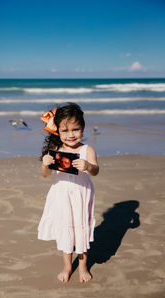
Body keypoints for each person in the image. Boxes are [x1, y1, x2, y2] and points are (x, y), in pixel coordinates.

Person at [38, 103, 99, 283]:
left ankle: (82, 266)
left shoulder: (86, 150)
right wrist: (45, 163)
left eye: (75, 129)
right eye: (65, 131)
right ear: (58, 131)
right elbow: (45, 175)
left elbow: (95, 171)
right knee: (66, 230)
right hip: (61, 196)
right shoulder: (56, 151)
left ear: (82, 128)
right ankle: (66, 266)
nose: (71, 135)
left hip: (81, 195)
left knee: (80, 230)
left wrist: (88, 165)